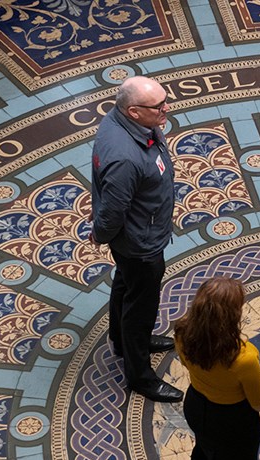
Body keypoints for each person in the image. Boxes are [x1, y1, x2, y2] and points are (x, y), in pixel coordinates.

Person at [90, 75, 182, 403]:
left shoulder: (125, 124)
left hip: (141, 232)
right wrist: (102, 235)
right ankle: (140, 375)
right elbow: (114, 209)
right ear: (133, 111)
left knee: (125, 284)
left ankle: (120, 339)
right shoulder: (125, 157)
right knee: (141, 305)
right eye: (158, 106)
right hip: (140, 241)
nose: (166, 109)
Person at [174, 277, 260, 460]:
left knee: (203, 447)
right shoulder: (244, 357)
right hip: (234, 421)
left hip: (197, 405)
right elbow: (259, 403)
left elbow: (184, 362)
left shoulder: (182, 332)